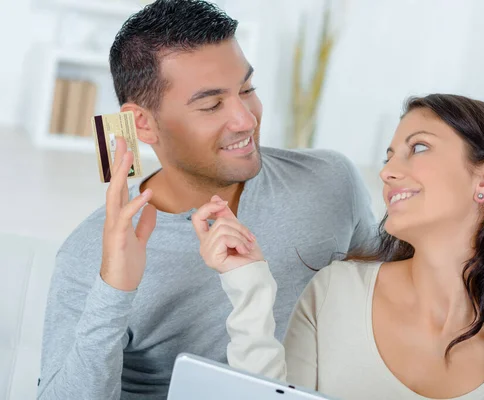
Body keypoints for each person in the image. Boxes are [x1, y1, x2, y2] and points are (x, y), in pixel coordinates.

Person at [36, 1, 377, 399]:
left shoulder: (330, 182)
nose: (246, 120)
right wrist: (115, 291)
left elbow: (388, 300)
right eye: (212, 104)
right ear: (142, 123)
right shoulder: (89, 253)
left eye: (247, 90)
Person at [199, 94, 484, 400]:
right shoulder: (337, 291)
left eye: (419, 147)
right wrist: (249, 286)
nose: (386, 172)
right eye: (388, 156)